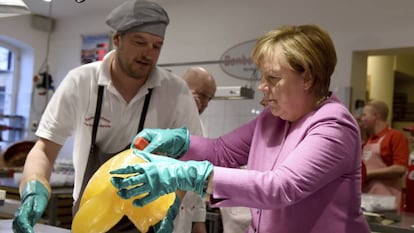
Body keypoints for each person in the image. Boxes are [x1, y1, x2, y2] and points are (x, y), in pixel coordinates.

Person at [109, 24, 371, 233]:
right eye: (262, 77)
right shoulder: (273, 119)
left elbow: (281, 187)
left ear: (308, 78)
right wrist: (180, 142)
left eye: (273, 78)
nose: (262, 86)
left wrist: (188, 175)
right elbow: (222, 151)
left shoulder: (334, 127)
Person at [12, 0, 203, 233]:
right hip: (90, 219)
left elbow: (192, 156)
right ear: (117, 39)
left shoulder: (176, 91)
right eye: (139, 42)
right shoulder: (81, 82)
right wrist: (33, 186)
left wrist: (174, 201)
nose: (148, 53)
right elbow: (44, 149)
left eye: (156, 45)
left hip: (148, 220)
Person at [172, 66, 216, 233]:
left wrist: (199, 219)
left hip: (184, 220)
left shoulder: (200, 127)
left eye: (209, 98)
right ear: (182, 88)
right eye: (201, 95)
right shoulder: (165, 116)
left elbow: (198, 177)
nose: (204, 103)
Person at [360, 100, 409, 210]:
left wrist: (368, 174)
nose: (362, 119)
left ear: (375, 116)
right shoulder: (368, 140)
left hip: (388, 202)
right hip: (367, 200)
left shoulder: (395, 136)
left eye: (365, 115)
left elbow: (400, 169)